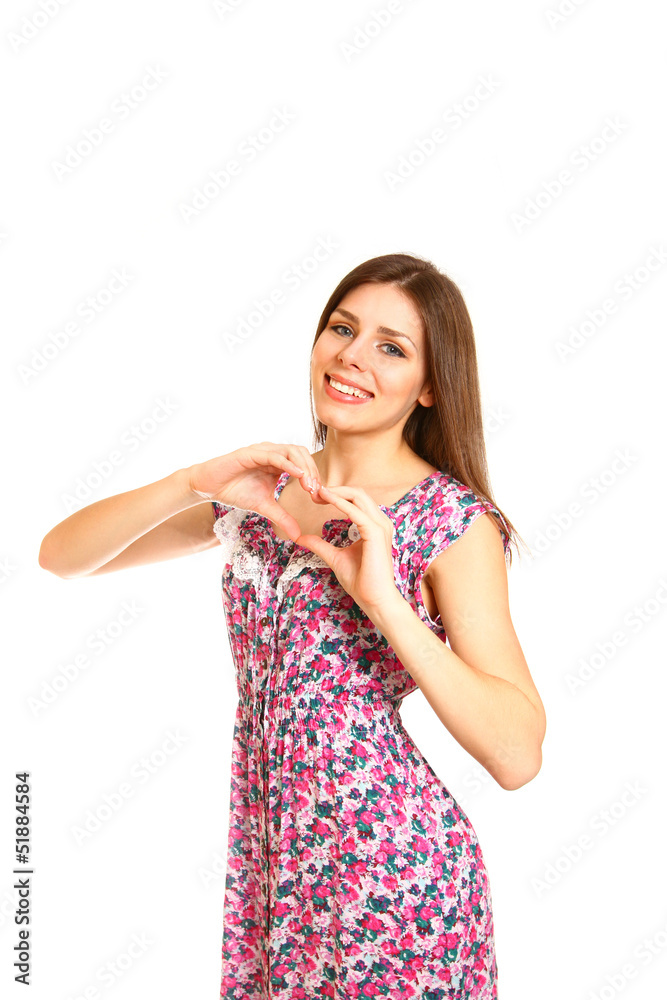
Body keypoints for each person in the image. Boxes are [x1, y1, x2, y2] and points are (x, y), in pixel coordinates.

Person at [39, 252, 546, 998]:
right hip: (275, 858)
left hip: (393, 872)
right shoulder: (264, 490)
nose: (352, 355)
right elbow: (62, 557)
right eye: (342, 328)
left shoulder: (451, 519)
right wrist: (190, 482)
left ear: (432, 386)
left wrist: (384, 602)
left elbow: (517, 755)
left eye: (391, 347)